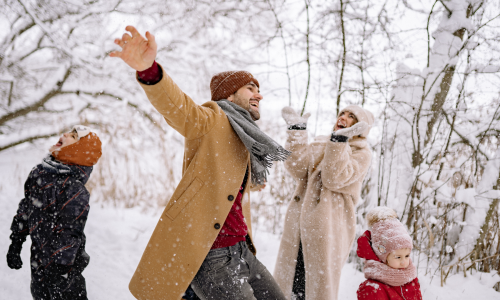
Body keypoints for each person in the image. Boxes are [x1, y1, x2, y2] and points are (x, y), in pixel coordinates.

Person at [110, 26, 289, 300]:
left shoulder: (245, 137)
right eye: (250, 88)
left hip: (241, 249)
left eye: (259, 89)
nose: (259, 95)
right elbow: (179, 108)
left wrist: (247, 185)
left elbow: (221, 184)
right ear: (229, 95)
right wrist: (150, 71)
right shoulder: (212, 119)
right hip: (213, 254)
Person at [274, 105, 374, 299]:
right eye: (342, 114)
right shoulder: (323, 142)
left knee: (316, 286)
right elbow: (297, 167)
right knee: (291, 283)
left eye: (351, 116)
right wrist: (297, 132)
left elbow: (333, 178)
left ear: (361, 126)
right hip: (299, 225)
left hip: (328, 227)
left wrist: (339, 142)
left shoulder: (362, 153)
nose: (343, 118)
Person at [6, 125, 102, 300]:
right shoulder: (39, 173)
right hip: (38, 259)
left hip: (65, 266)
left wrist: (60, 270)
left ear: (77, 150)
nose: (64, 134)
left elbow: (70, 232)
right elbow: (27, 207)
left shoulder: (74, 188)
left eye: (73, 136)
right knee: (39, 294)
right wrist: (16, 240)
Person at [356, 207, 422, 300]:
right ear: (383, 257)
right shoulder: (373, 289)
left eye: (407, 256)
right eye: (398, 257)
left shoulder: (410, 279)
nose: (403, 262)